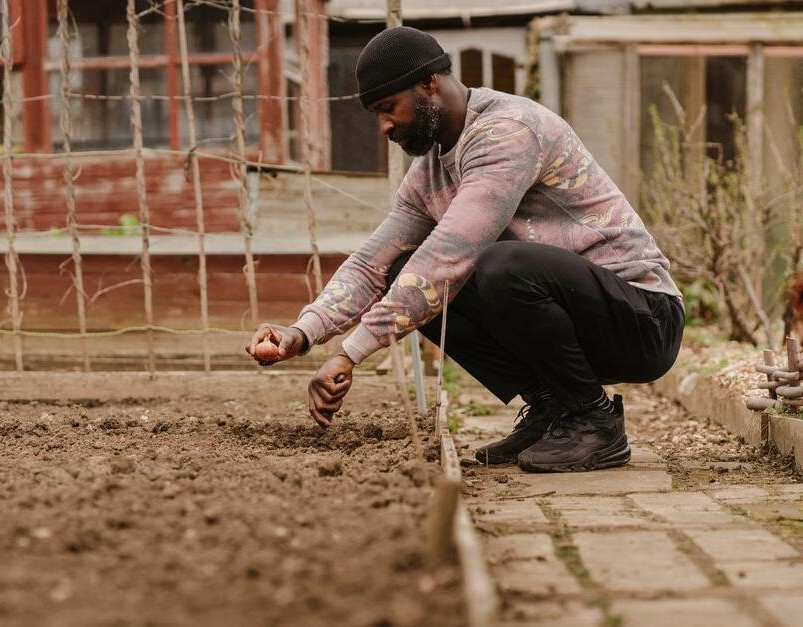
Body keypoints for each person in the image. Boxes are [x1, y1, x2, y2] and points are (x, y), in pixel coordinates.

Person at [246, 27, 684, 473]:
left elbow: (449, 255)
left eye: (388, 108)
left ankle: (595, 421)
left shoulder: (507, 131)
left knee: (496, 265)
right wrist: (302, 333)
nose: (384, 127)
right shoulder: (430, 172)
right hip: (583, 320)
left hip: (644, 319)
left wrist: (350, 352)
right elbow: (371, 264)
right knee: (403, 271)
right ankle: (555, 406)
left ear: (428, 83)